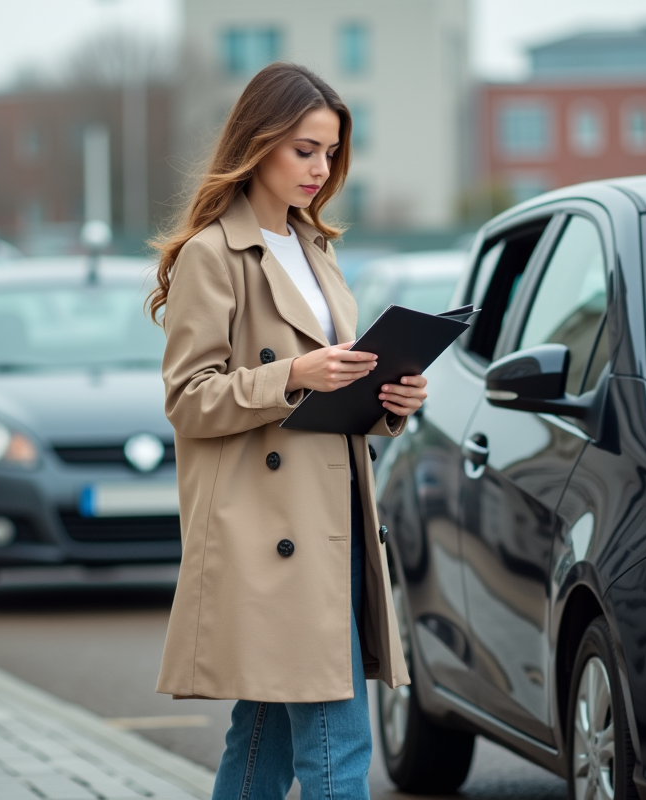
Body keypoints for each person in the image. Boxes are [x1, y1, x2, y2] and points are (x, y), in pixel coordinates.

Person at [149, 62, 427, 799]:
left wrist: (391, 398)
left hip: (332, 521)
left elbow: (341, 388)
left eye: (330, 152)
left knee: (264, 738)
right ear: (259, 141)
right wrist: (293, 376)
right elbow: (188, 398)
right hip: (268, 533)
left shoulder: (317, 250)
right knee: (338, 743)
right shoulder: (214, 254)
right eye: (304, 149)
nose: (319, 168)